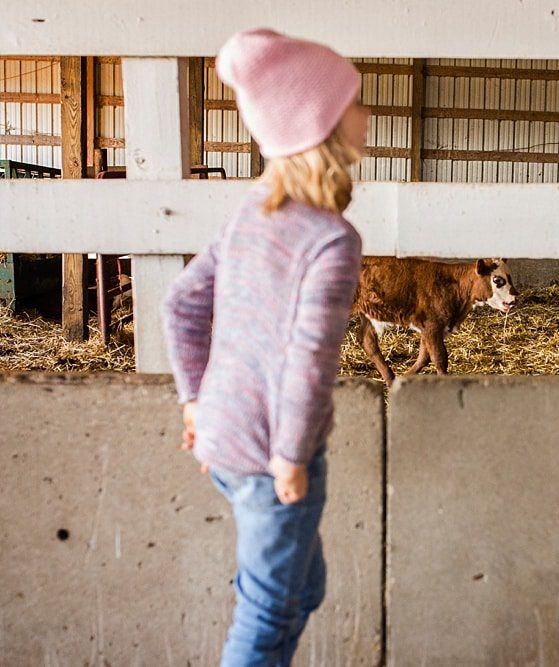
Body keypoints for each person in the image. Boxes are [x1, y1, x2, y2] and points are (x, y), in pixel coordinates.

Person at [161, 28, 369, 666]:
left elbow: (180, 304)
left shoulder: (252, 210)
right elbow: (309, 367)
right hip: (269, 456)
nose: (368, 115)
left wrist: (195, 402)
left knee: (303, 589)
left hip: (224, 440)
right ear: (324, 127)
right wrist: (289, 461)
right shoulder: (331, 242)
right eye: (355, 103)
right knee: (266, 616)